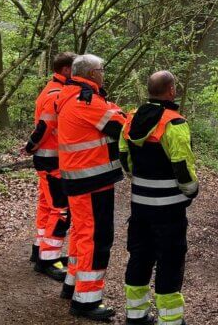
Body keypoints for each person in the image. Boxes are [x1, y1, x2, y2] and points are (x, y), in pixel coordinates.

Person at [121, 70, 198, 325]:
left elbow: (124, 156)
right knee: (170, 260)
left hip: (140, 204)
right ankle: (171, 320)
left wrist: (140, 179)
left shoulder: (131, 118)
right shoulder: (173, 123)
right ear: (171, 91)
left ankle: (135, 315)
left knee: (140, 256)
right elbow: (182, 166)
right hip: (169, 209)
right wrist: (191, 190)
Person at [56, 54, 127, 321]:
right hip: (90, 180)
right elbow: (123, 127)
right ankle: (87, 300)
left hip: (79, 178)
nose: (104, 73)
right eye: (102, 69)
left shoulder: (71, 95)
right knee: (95, 238)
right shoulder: (86, 101)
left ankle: (73, 285)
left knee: (81, 232)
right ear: (91, 73)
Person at [24, 51, 75, 281]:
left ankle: (40, 249)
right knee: (60, 208)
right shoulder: (56, 93)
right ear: (66, 70)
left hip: (47, 159)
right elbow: (45, 126)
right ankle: (49, 258)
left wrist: (33, 146)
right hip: (52, 160)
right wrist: (31, 145)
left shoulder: (51, 88)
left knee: (46, 205)